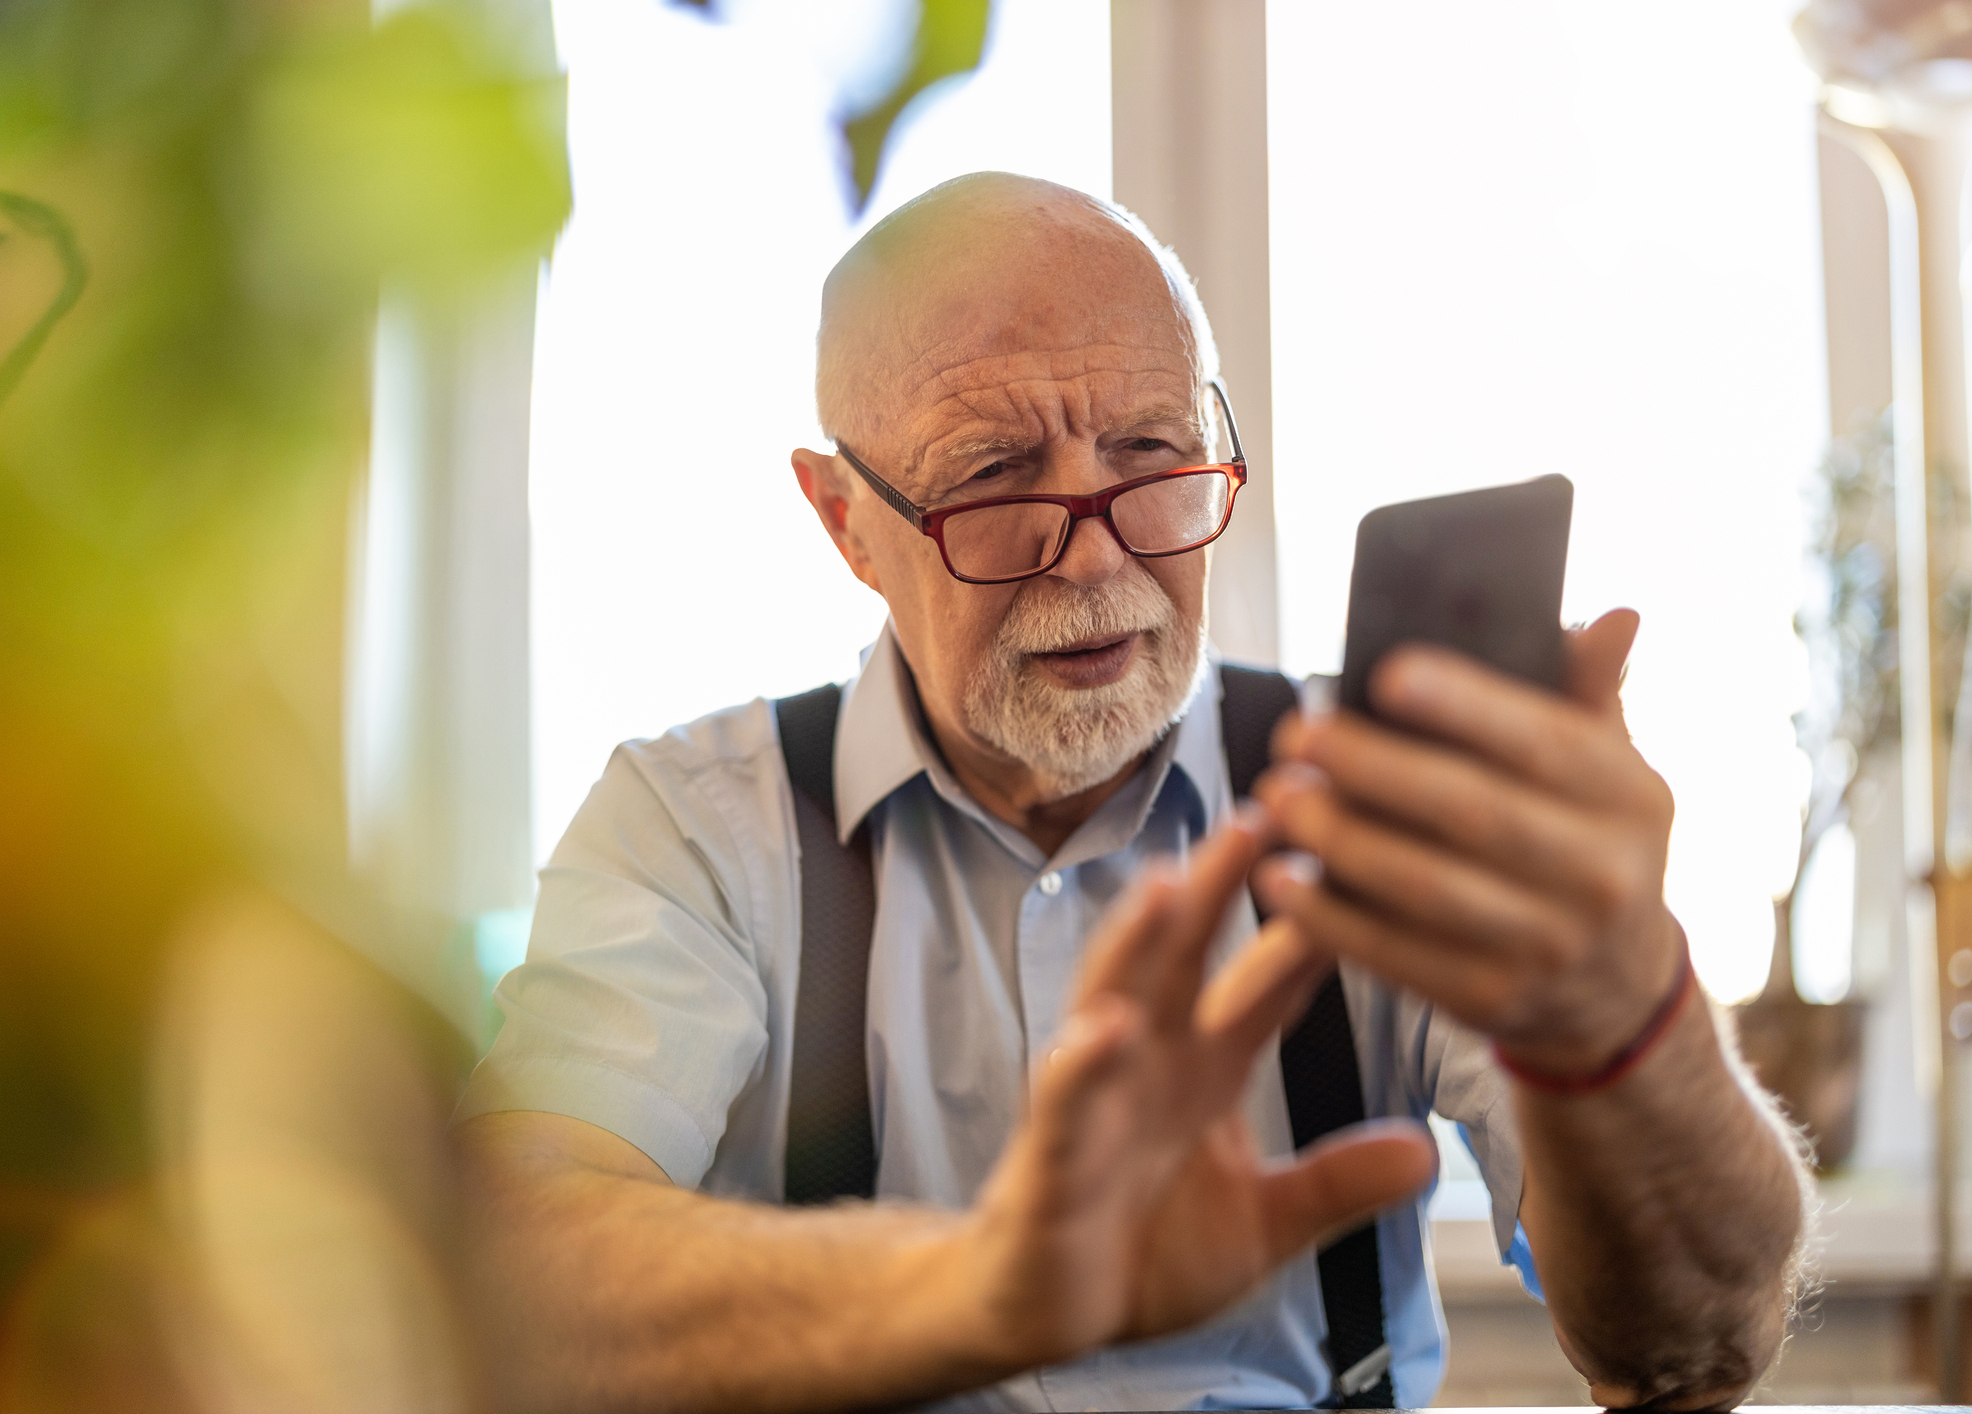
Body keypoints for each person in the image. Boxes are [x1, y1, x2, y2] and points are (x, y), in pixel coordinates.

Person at [453, 172, 1808, 1414]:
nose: (1096, 559)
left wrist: (1622, 1019)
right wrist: (982, 1286)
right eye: (993, 476)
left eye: (1151, 454)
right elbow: (503, 1269)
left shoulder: (1398, 799)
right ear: (844, 520)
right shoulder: (697, 826)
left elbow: (1689, 1348)